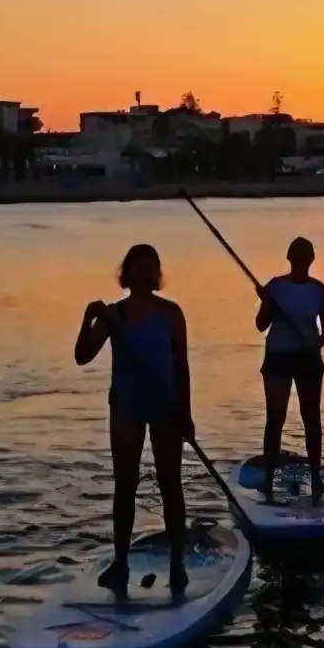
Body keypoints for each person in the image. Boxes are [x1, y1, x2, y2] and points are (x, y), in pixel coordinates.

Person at [74, 243, 194, 594]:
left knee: (170, 481)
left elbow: (181, 366)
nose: (144, 273)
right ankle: (121, 562)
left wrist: (185, 413)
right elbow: (82, 356)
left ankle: (177, 563)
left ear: (157, 274)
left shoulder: (172, 314)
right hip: (126, 407)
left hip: (165, 407)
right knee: (125, 485)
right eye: (138, 267)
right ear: (126, 274)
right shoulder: (115, 316)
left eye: (150, 267)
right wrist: (88, 318)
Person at [254, 236, 324, 502]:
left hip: (307, 359)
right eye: (296, 256)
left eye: (305, 257)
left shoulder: (319, 290)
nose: (301, 261)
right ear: (289, 258)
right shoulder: (276, 287)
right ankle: (268, 478)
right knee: (275, 419)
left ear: (312, 260)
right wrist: (268, 303)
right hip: (278, 357)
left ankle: (315, 477)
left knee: (311, 418)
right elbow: (260, 325)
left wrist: (316, 344)